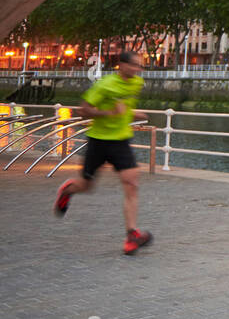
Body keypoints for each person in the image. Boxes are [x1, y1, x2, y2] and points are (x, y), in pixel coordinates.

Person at [53, 50, 154, 254]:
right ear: (121, 65)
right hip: (98, 140)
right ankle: (67, 191)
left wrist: (132, 113)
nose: (137, 70)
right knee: (86, 186)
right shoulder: (104, 85)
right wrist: (109, 113)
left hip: (121, 140)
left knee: (132, 183)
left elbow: (123, 106)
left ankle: (131, 235)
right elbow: (83, 110)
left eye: (140, 66)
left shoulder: (136, 83)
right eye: (134, 65)